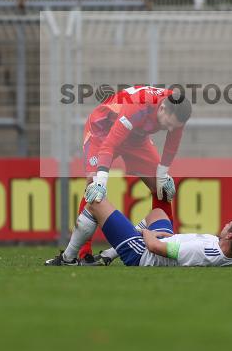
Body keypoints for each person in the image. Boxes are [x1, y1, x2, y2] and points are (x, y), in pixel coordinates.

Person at [48, 85, 192, 266]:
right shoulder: (139, 106)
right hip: (103, 129)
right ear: (162, 108)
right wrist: (101, 182)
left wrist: (163, 174)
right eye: (168, 124)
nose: (170, 129)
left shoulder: (178, 109)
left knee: (162, 188)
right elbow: (109, 144)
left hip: (136, 137)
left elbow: (172, 145)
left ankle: (164, 245)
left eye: (174, 127)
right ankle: (82, 255)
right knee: (93, 187)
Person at [45, 193, 232, 267]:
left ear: (230, 235)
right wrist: (171, 237)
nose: (226, 223)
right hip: (163, 241)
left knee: (95, 202)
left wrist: (149, 234)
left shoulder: (201, 251)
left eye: (230, 224)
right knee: (158, 213)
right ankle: (109, 254)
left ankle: (68, 258)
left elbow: (155, 248)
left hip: (141, 253)